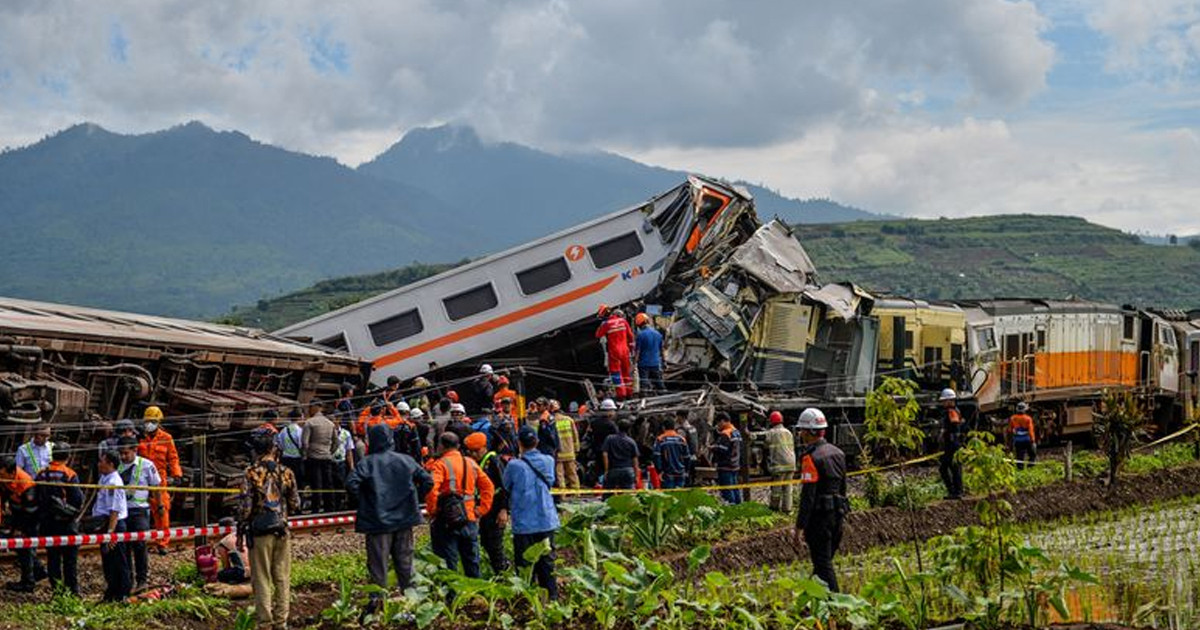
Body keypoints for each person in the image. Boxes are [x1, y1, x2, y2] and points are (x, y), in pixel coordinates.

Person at [347, 424, 434, 617]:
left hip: (377, 522)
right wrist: (414, 498)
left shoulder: (367, 463)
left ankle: (379, 608)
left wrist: (366, 501)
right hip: (405, 519)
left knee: (378, 566)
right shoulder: (407, 460)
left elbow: (351, 484)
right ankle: (411, 606)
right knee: (406, 564)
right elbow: (428, 481)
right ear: (391, 439)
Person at [238, 429, 301, 630]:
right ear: (274, 449)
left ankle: (265, 623)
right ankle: (281, 622)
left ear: (255, 451)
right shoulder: (287, 472)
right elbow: (295, 503)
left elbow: (245, 509)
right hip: (282, 530)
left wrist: (240, 531)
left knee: (262, 578)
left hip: (260, 533)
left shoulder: (250, 473)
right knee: (282, 577)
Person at [792, 408, 849, 593]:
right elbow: (843, 487)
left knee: (823, 565)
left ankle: (837, 604)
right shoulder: (838, 453)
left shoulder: (810, 458)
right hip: (838, 515)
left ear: (810, 432)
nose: (800, 434)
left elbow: (808, 496)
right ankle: (809, 599)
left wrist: (799, 527)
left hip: (819, 519)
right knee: (822, 564)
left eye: (802, 430)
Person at [502, 426, 560, 600]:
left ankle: (527, 598)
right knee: (547, 561)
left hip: (524, 522)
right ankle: (552, 597)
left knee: (525, 563)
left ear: (519, 443)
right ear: (537, 442)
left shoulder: (513, 465)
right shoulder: (549, 460)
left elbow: (506, 486)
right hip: (546, 519)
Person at [425, 432, 494, 578]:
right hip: (470, 517)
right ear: (457, 446)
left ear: (442, 446)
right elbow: (488, 486)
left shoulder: (440, 464)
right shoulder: (470, 462)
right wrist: (482, 509)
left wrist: (433, 511)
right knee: (472, 561)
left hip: (447, 520)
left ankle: (452, 597)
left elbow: (431, 489)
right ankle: (477, 595)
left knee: (448, 564)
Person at [35, 443, 83, 596]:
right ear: (68, 457)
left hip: (48, 522)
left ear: (53, 455)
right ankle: (72, 592)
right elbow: (77, 500)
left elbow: (37, 497)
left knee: (53, 558)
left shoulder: (41, 473)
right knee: (70, 560)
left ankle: (57, 592)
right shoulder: (69, 474)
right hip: (67, 523)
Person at [118, 436, 161, 592]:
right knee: (125, 546)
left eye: (126, 453)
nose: (123, 457)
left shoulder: (146, 465)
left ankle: (142, 580)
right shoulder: (117, 467)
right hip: (122, 512)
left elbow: (156, 486)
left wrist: (159, 506)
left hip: (140, 510)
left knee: (140, 544)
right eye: (121, 453)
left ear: (135, 450)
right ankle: (127, 581)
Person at [138, 406, 181, 554]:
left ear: (158, 422)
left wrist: (177, 475)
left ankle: (162, 543)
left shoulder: (166, 438)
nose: (149, 424)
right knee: (139, 511)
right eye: (147, 421)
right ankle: (138, 541)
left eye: (152, 421)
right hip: (141, 480)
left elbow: (173, 458)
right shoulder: (140, 438)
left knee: (162, 511)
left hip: (159, 480)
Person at [465, 432, 509, 574]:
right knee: (486, 541)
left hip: (496, 509)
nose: (473, 454)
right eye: (471, 452)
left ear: (484, 448)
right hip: (485, 509)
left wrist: (504, 510)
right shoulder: (478, 462)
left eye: (476, 451)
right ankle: (499, 570)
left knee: (495, 544)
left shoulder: (494, 461)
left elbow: (504, 487)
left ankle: (503, 572)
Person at [1, 454, 45, 592]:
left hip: (31, 517)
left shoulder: (26, 483)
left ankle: (28, 582)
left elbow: (31, 511)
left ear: (12, 472)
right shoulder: (4, 479)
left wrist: (20, 528)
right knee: (21, 547)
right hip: (18, 513)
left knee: (25, 546)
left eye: (2, 474)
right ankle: (38, 572)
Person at [94, 449, 131, 602]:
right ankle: (111, 593)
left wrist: (111, 533)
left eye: (102, 461)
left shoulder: (114, 482)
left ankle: (122, 594)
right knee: (109, 562)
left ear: (110, 464)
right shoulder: (105, 478)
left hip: (114, 525)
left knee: (118, 561)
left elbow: (115, 510)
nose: (99, 464)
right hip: (107, 524)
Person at [301, 400, 337, 514]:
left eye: (309, 407)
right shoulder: (330, 424)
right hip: (327, 457)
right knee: (328, 484)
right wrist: (330, 452)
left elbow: (304, 443)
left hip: (313, 458)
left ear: (315, 407)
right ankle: (330, 509)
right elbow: (337, 442)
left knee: (316, 484)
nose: (308, 410)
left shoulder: (309, 423)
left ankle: (316, 509)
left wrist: (304, 455)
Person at [595, 306, 635, 399]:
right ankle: (629, 393)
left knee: (616, 374)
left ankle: (621, 394)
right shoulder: (623, 321)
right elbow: (630, 336)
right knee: (626, 372)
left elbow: (597, 335)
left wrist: (602, 324)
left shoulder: (606, 324)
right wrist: (631, 348)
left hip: (614, 352)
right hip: (625, 350)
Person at [765, 411, 798, 512]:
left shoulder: (771, 432)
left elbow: (765, 444)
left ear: (771, 421)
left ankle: (774, 508)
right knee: (788, 488)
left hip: (779, 465)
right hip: (791, 463)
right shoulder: (788, 432)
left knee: (776, 488)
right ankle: (787, 509)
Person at [937, 389, 965, 499]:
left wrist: (944, 431)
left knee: (948, 468)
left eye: (945, 401)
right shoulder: (955, 410)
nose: (943, 403)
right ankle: (956, 491)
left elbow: (955, 423)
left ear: (950, 401)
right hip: (954, 443)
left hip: (952, 444)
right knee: (953, 468)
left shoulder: (951, 412)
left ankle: (955, 491)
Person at [711, 414, 743, 504]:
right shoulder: (736, 432)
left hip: (726, 466)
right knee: (735, 488)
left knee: (727, 490)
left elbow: (722, 449)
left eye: (718, 423)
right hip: (735, 465)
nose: (718, 425)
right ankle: (738, 508)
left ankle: (731, 509)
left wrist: (713, 448)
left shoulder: (726, 434)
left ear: (723, 421)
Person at [550, 400, 581, 489]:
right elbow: (575, 436)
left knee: (560, 476)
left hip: (558, 453)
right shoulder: (569, 420)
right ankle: (576, 494)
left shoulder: (551, 421)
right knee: (572, 474)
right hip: (569, 452)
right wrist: (576, 449)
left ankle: (562, 496)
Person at [601, 420, 639, 490]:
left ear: (618, 427)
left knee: (608, 494)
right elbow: (635, 460)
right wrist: (636, 475)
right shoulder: (631, 442)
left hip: (613, 470)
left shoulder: (610, 439)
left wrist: (606, 470)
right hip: (628, 470)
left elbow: (604, 454)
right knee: (627, 495)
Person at [653, 419, 690, 489]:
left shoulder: (661, 439)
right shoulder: (682, 439)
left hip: (667, 473)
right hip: (680, 472)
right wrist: (686, 470)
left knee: (668, 497)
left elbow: (656, 456)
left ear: (663, 427)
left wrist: (659, 471)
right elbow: (687, 457)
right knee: (679, 496)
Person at [633, 313, 666, 394]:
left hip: (643, 364)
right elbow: (662, 350)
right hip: (655, 363)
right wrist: (664, 362)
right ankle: (664, 396)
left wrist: (634, 364)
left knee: (644, 383)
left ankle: (644, 398)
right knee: (659, 383)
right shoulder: (658, 334)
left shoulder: (640, 335)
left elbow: (637, 352)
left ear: (638, 325)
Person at [214, 517, 250, 584]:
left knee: (218, 575)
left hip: (242, 572)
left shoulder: (223, 542)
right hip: (254, 570)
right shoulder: (242, 536)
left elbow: (226, 566)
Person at [275, 408, 306, 484]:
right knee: (297, 480)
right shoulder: (299, 430)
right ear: (299, 418)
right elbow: (302, 445)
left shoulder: (283, 430)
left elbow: (280, 444)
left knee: (286, 479)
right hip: (297, 459)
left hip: (286, 459)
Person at [590, 399, 619, 478]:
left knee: (599, 470)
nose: (614, 413)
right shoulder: (611, 425)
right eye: (613, 411)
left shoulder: (594, 422)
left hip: (597, 450)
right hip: (609, 452)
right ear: (609, 412)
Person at [331, 421, 355, 511]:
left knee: (341, 484)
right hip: (330, 462)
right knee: (331, 485)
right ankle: (333, 506)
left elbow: (349, 451)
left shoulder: (346, 433)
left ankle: (340, 504)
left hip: (341, 462)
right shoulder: (328, 432)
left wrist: (351, 466)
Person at [1008, 402, 1038, 469]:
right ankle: (1030, 466)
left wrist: (1010, 441)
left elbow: (1010, 430)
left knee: (1019, 455)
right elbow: (1030, 431)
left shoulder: (1013, 418)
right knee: (1032, 454)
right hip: (1027, 439)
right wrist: (1033, 440)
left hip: (1018, 440)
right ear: (1025, 409)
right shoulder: (1028, 418)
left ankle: (1020, 468)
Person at [675, 410, 700, 486]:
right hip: (694, 457)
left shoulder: (681, 430)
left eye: (677, 417)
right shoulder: (693, 428)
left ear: (680, 417)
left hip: (685, 458)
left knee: (684, 481)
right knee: (691, 479)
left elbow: (679, 445)